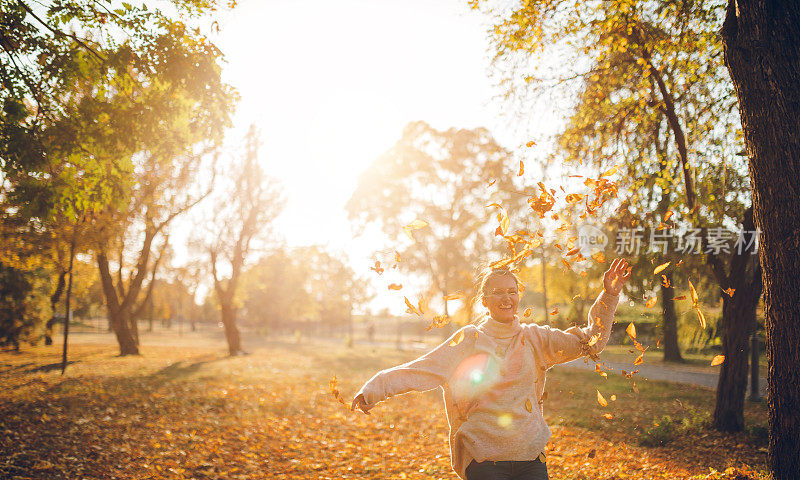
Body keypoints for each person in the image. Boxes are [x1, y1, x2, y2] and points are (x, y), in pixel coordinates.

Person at [351, 258, 631, 480]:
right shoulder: (469, 338)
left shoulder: (536, 338)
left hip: (530, 459)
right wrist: (375, 388)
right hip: (484, 458)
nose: (506, 298)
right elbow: (424, 369)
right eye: (498, 292)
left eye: (512, 291)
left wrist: (608, 295)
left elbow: (591, 343)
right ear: (484, 301)